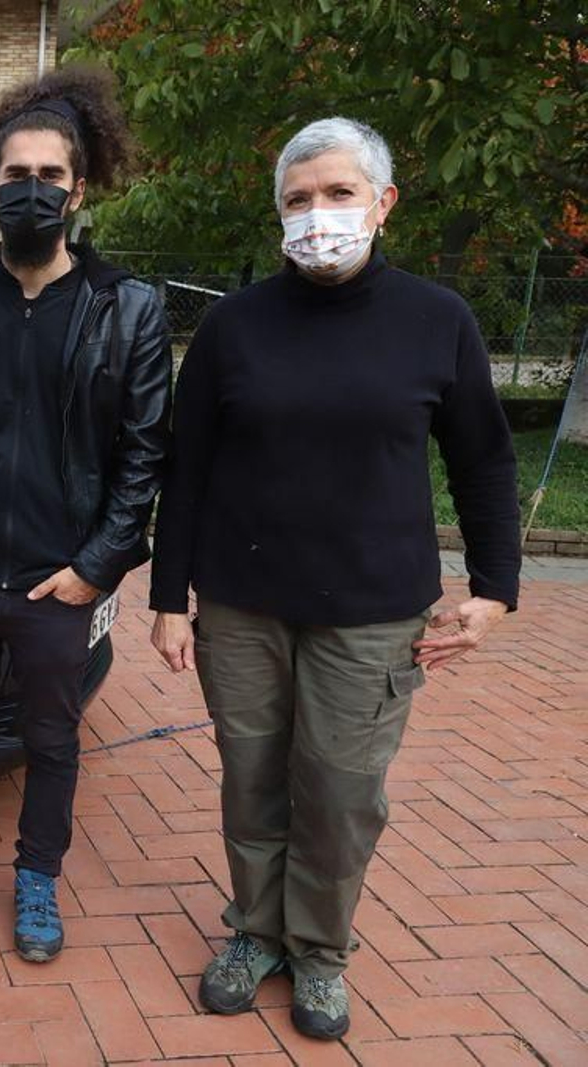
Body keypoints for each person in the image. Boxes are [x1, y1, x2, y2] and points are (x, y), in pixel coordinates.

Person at [148, 117, 521, 1040]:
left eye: (339, 194)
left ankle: (318, 948)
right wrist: (168, 597)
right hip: (241, 604)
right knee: (253, 779)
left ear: (383, 204)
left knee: (342, 789)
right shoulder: (234, 327)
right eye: (299, 199)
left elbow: (483, 460)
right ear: (279, 214)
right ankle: (256, 931)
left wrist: (495, 585)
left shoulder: (438, 321)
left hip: (372, 612)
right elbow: (185, 467)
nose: (319, 216)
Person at [0, 66, 171, 962]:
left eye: (51, 177)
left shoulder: (125, 309)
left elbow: (143, 455)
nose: (33, 192)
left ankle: (38, 878)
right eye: (17, 176)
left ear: (79, 188)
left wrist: (98, 565)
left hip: (59, 580)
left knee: (51, 736)